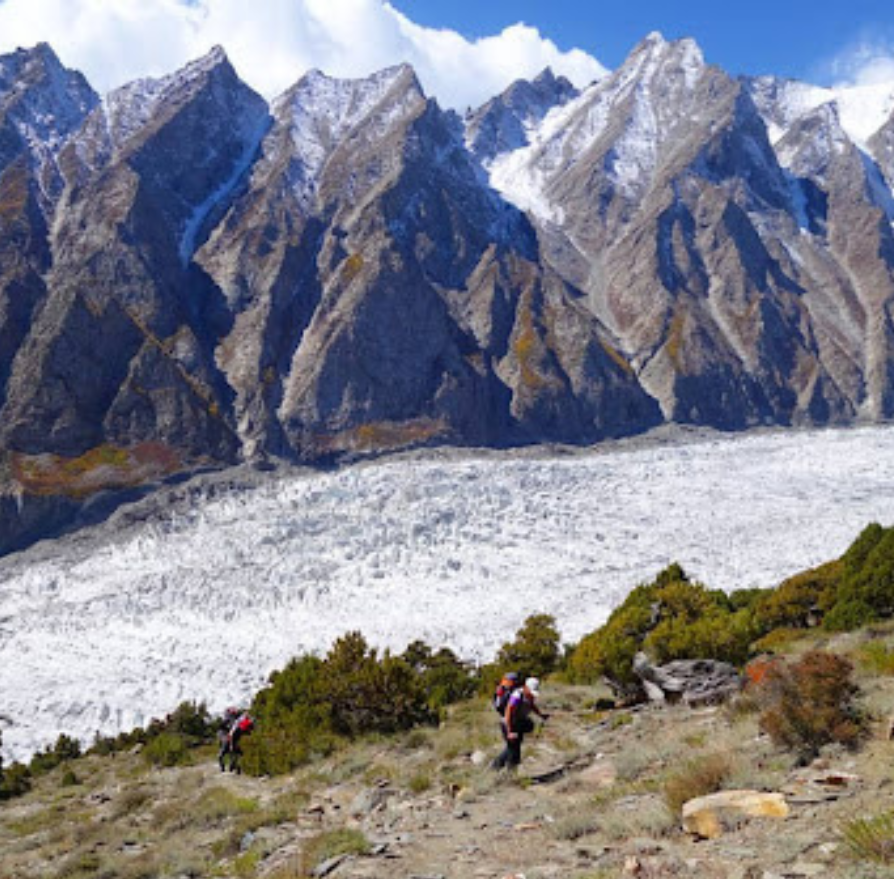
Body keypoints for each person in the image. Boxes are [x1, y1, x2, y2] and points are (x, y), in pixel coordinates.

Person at [492, 677, 549, 770]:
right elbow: (508, 712)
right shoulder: (517, 696)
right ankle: (500, 768)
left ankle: (506, 770)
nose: (532, 694)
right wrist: (509, 731)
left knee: (514, 748)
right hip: (509, 724)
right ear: (525, 687)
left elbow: (531, 705)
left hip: (518, 724)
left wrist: (540, 715)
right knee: (513, 750)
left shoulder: (528, 695)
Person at [218, 708, 253, 773]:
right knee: (228, 752)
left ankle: (234, 766)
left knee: (234, 752)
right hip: (228, 737)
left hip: (234, 737)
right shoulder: (230, 722)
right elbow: (224, 730)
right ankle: (226, 766)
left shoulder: (239, 721)